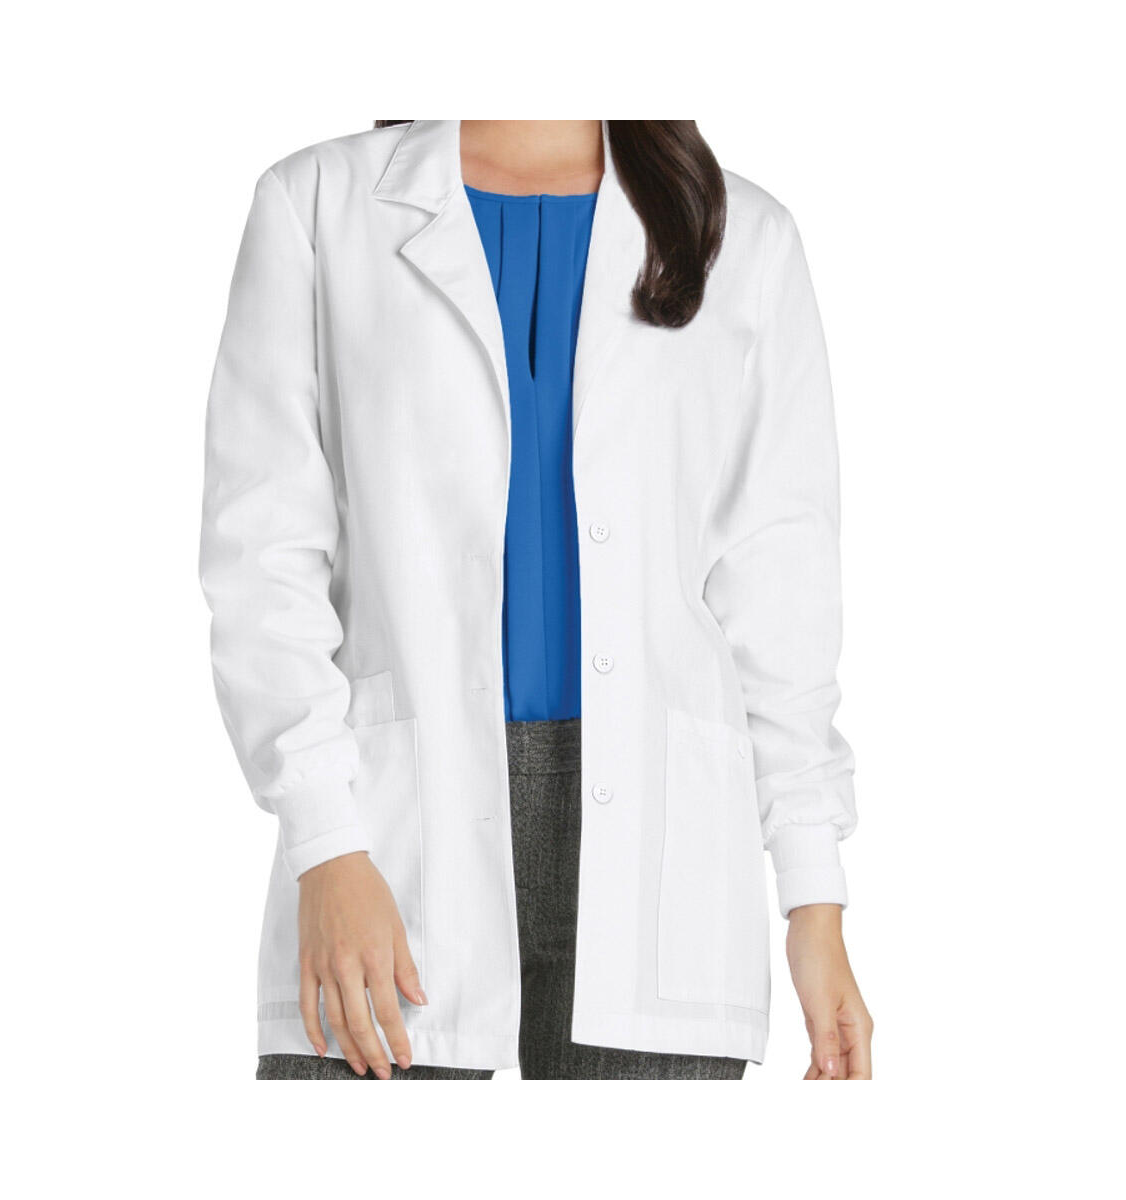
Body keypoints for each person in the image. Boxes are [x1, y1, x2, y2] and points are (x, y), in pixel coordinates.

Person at [199, 120, 873, 1080]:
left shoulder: (744, 235)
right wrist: (326, 844)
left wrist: (813, 899)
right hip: (390, 840)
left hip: (664, 866)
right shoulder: (315, 205)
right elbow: (261, 554)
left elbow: (781, 594)